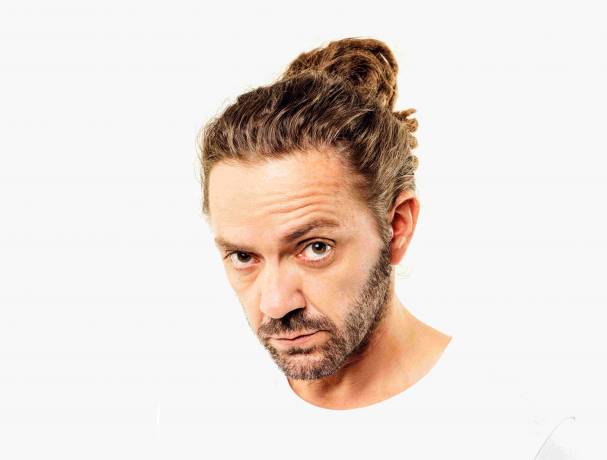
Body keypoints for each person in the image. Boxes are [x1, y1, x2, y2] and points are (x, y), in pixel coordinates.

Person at [197, 37, 577, 458]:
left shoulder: (517, 435)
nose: (274, 304)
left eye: (316, 247)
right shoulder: (206, 422)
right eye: (244, 257)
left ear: (396, 228)